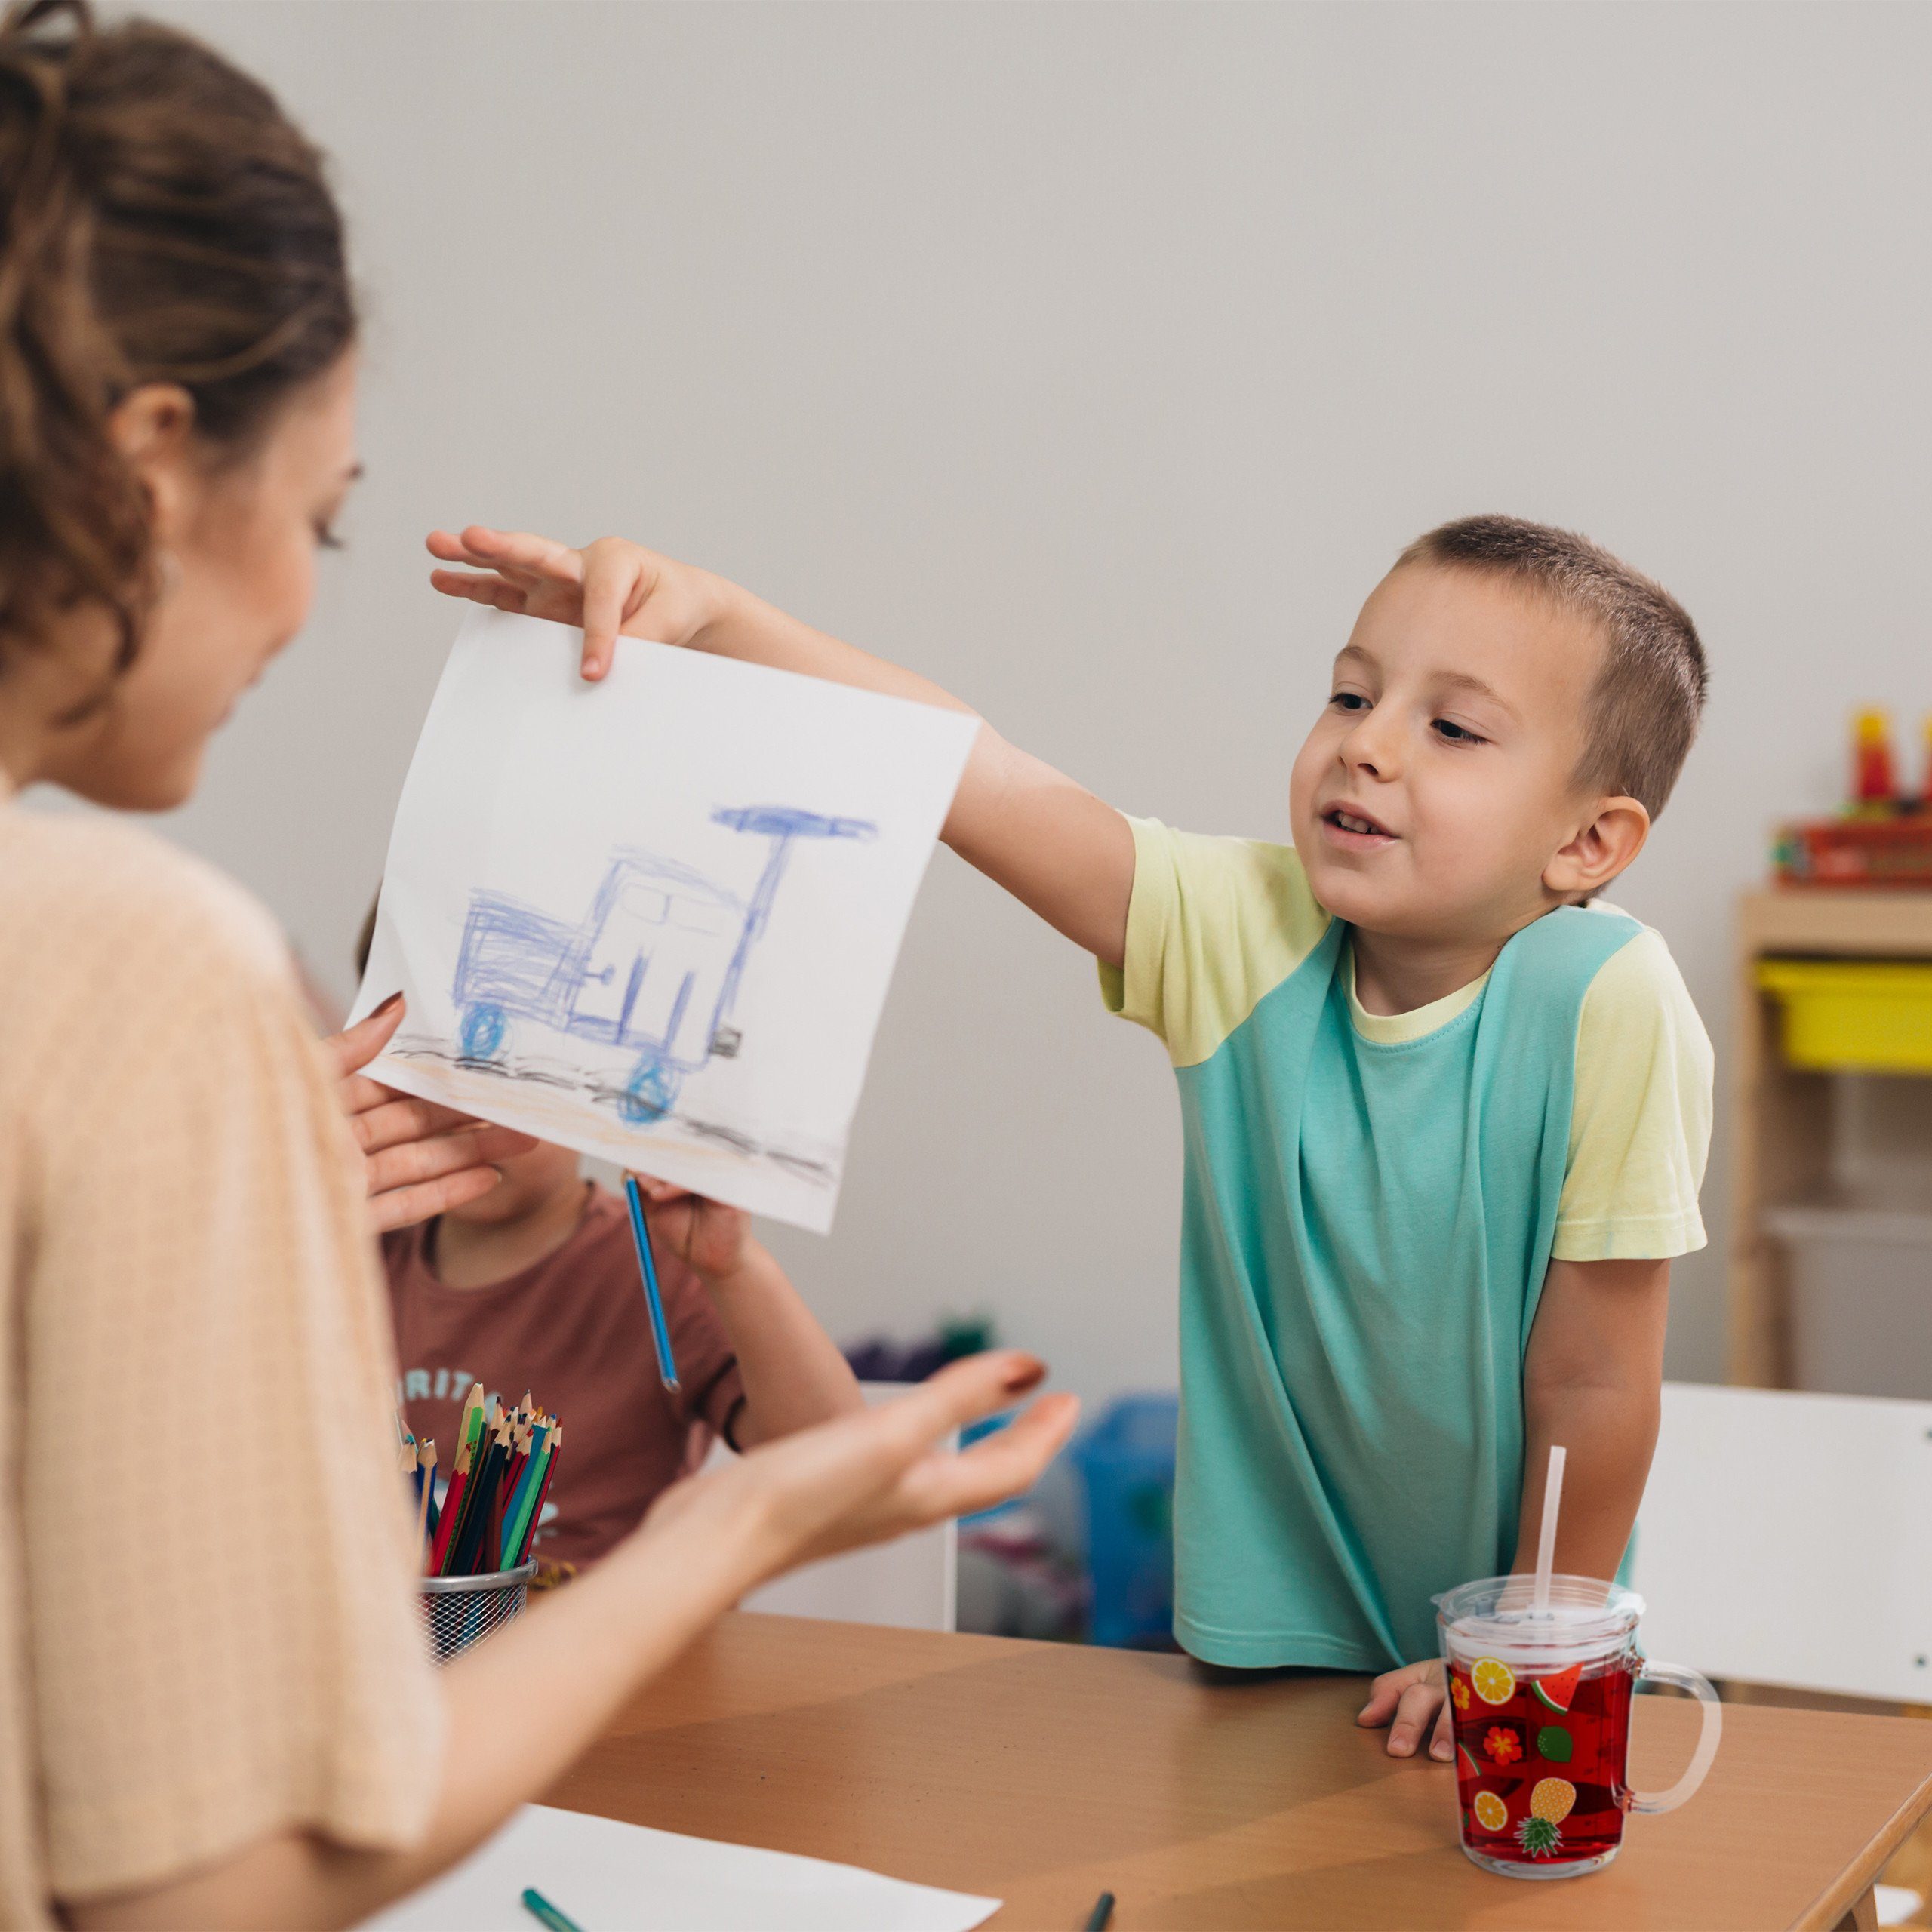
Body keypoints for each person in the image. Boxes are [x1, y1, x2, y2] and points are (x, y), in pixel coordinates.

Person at [0, 7, 1077, 1929]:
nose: (309, 596)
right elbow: (197, 1890)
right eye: (326, 516)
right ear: (156, 462)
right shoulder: (132, 963)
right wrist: (729, 1530)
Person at [425, 511, 1714, 1767]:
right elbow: (967, 767)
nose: (1366, 748)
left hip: (1521, 1665)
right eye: (1349, 696)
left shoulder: (1607, 998)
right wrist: (712, 613)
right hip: (1271, 1649)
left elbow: (1598, 1382)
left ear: (1588, 841)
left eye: (1451, 726)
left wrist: (1530, 1645)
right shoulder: (1244, 933)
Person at [354, 915, 868, 1567]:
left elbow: (841, 1462)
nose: (468, 1111)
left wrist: (734, 1270)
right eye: (429, 1063)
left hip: (603, 1653)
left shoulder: (654, 1270)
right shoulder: (346, 1261)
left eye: (504, 1065)